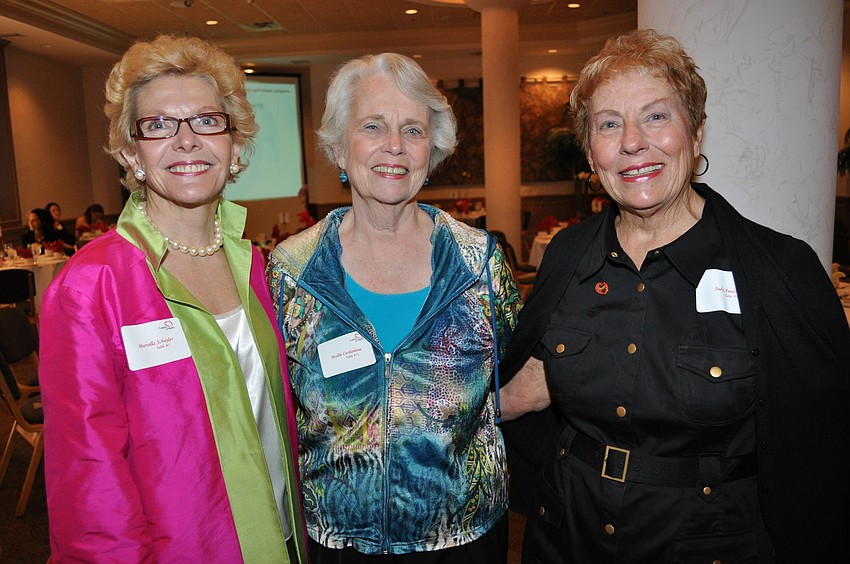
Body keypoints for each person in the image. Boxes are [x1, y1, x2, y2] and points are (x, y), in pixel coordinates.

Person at [498, 29, 850, 563]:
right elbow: (530, 381)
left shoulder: (779, 270)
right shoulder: (567, 255)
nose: (632, 142)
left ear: (696, 131)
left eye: (656, 116)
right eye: (608, 124)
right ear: (591, 151)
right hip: (567, 538)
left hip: (705, 546)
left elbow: (824, 449)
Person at [39, 35, 307, 563]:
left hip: (280, 537)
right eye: (159, 125)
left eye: (207, 121)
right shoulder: (90, 287)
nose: (186, 141)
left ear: (234, 146)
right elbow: (89, 483)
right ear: (130, 152)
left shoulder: (255, 266)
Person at [266, 52, 522, 562]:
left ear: (433, 149)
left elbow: (514, 377)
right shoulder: (292, 272)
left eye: (413, 130)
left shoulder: (479, 264)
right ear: (339, 148)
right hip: (339, 542)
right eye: (373, 126)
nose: (395, 146)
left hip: (462, 541)